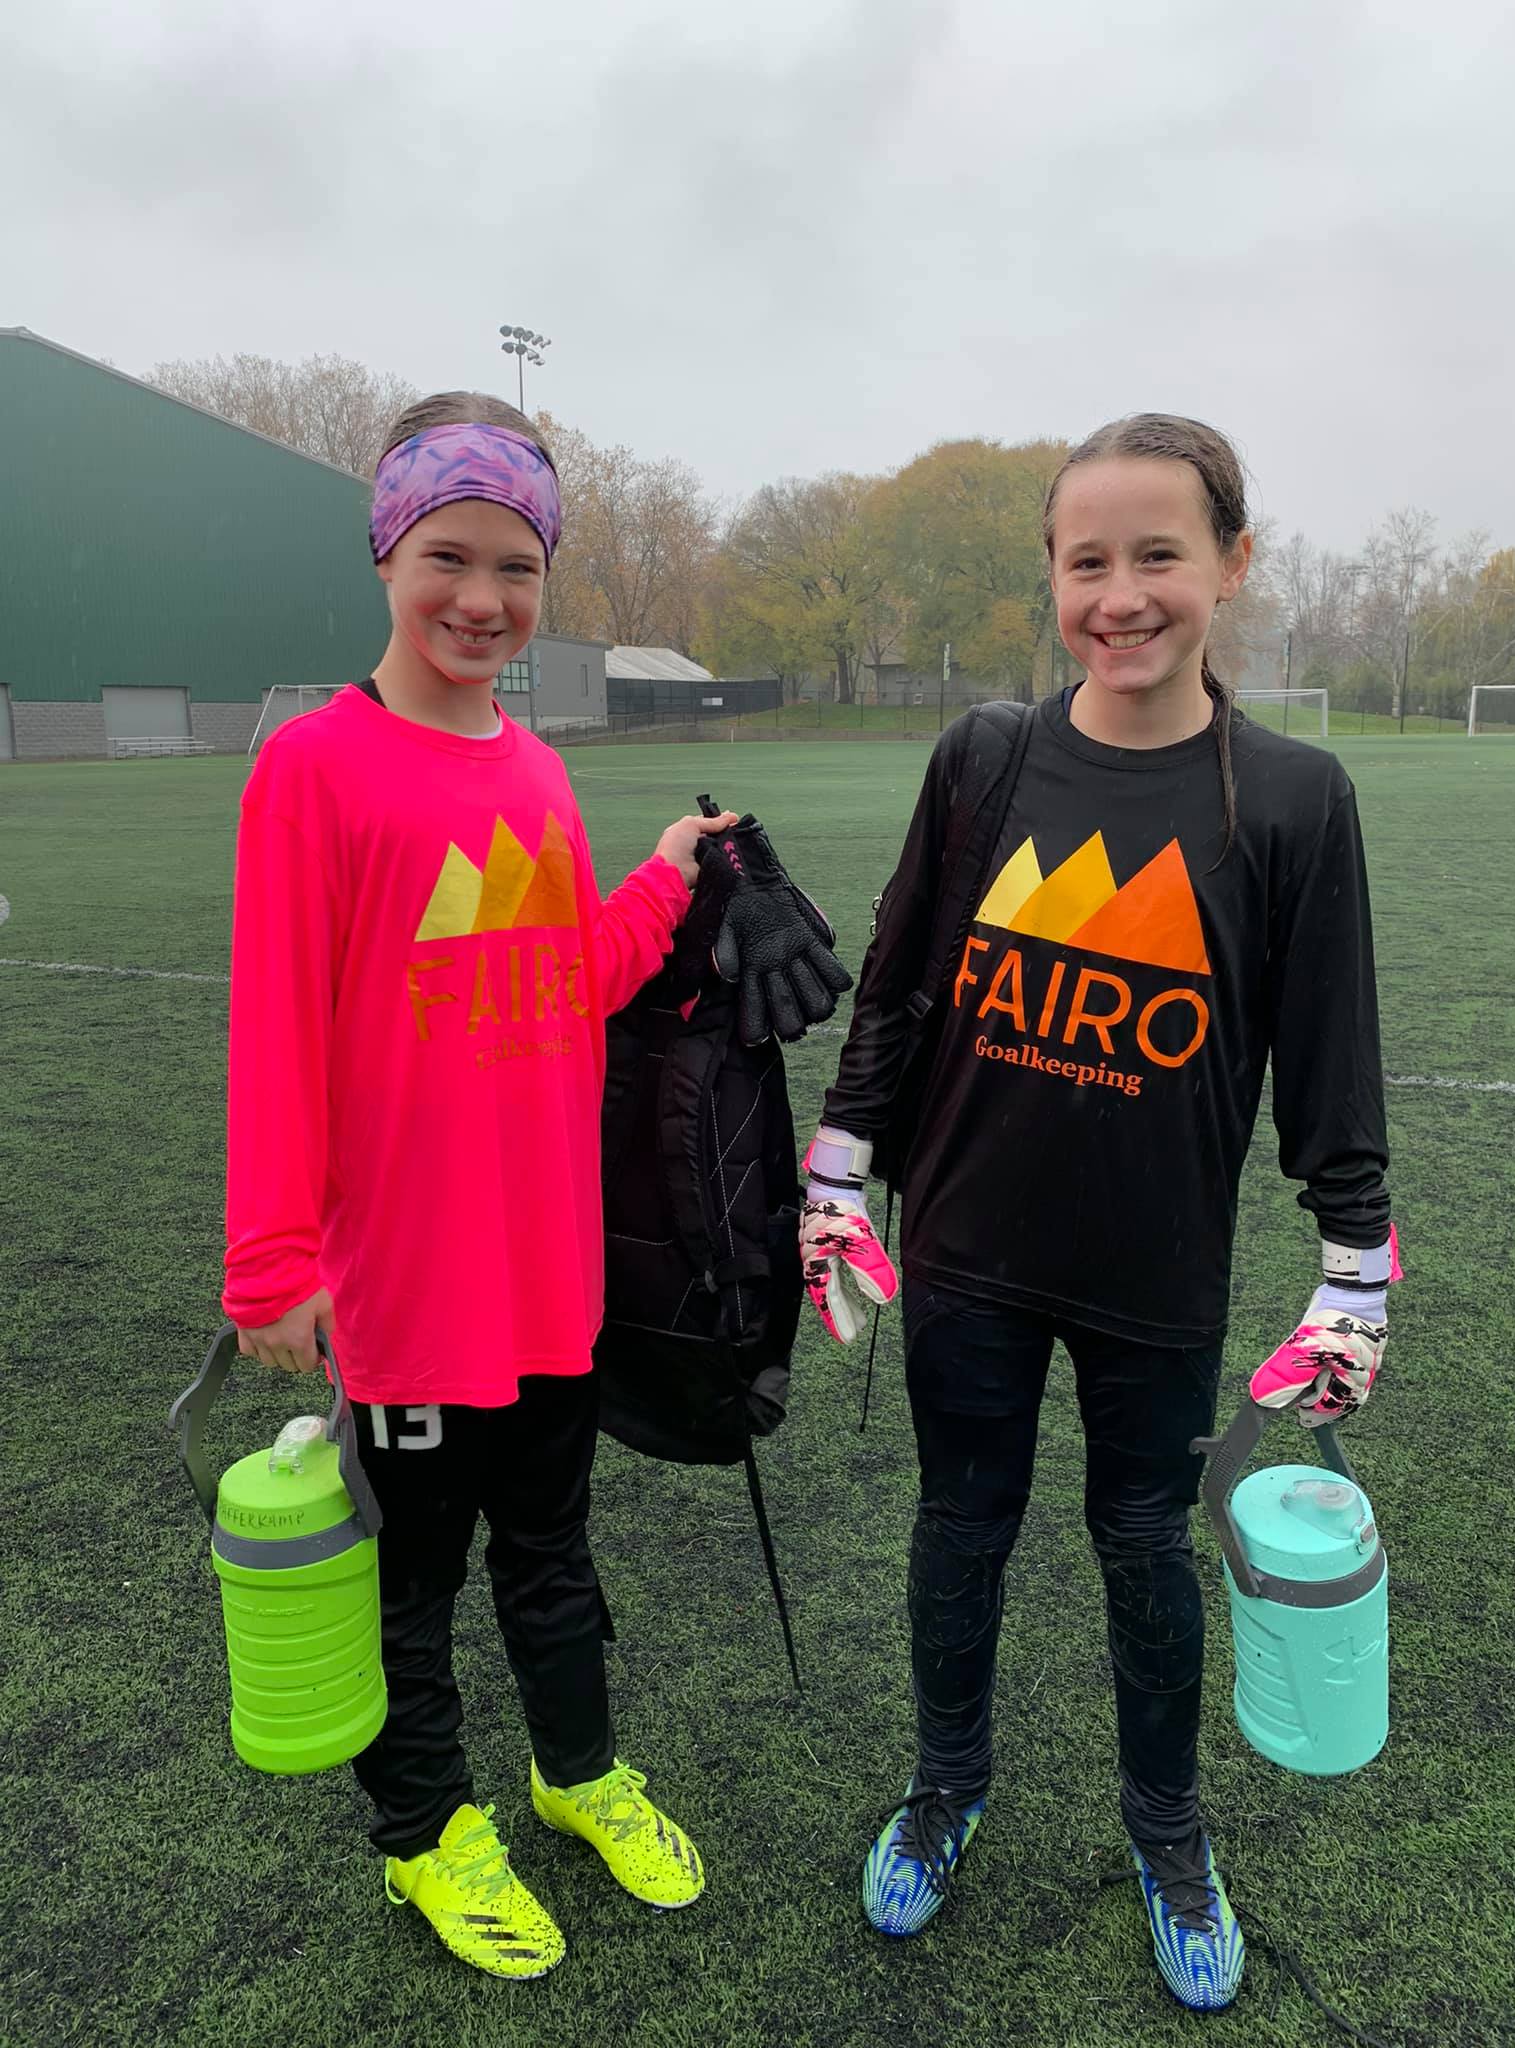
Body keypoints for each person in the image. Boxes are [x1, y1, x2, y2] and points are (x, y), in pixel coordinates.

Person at [799, 414, 1399, 2013]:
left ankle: (1169, 1831)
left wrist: (1358, 1271)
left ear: (1230, 565)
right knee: (960, 1531)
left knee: (1144, 1552)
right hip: (972, 1259)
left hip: (1156, 1280)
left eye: (1158, 556)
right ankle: (946, 1787)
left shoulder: (1290, 798)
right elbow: (905, 984)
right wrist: (838, 1169)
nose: (1121, 596)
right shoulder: (986, 759)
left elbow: (1333, 1056)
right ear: (1050, 579)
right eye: (1087, 563)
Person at [224, 391, 735, 1982]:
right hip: (406, 1282)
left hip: (545, 1270)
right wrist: (272, 1263)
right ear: (389, 551)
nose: (481, 600)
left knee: (555, 1551)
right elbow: (275, 1027)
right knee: (413, 1581)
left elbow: (557, 976)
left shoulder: (532, 770)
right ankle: (428, 1833)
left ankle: (576, 1777)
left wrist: (662, 875)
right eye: (449, 556)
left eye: (515, 567)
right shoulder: (314, 770)